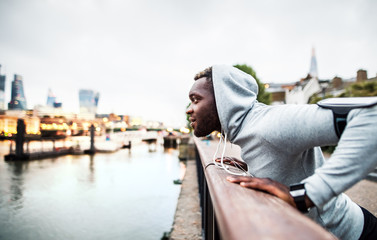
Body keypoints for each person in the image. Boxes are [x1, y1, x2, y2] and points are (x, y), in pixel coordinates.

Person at [186, 65, 377, 240]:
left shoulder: (272, 123)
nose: (189, 110)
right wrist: (250, 170)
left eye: (195, 100)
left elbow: (372, 117)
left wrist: (306, 194)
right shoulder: (249, 129)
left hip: (358, 234)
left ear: (223, 98)